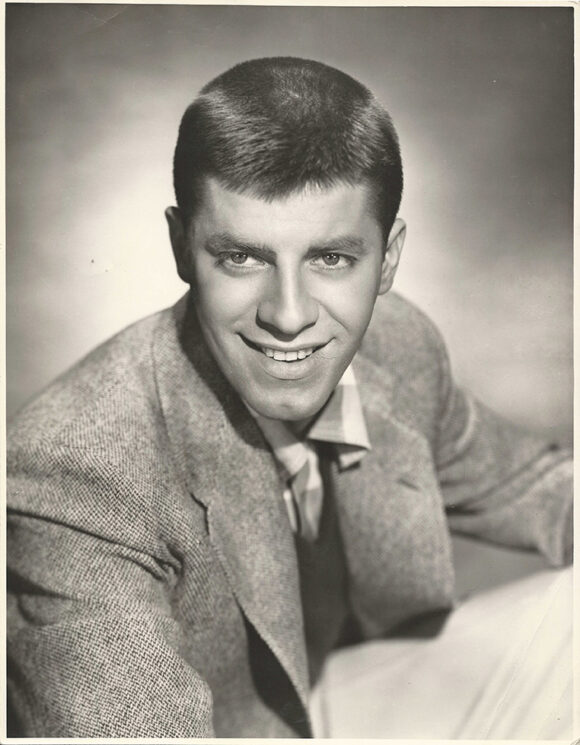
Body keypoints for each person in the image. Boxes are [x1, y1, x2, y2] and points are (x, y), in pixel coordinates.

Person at [6, 56, 572, 739]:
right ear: (182, 247)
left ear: (388, 257)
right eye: (242, 257)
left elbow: (539, 485)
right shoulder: (76, 469)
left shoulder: (398, 345)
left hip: (365, 699)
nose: (289, 314)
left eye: (331, 258)